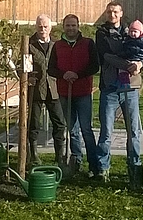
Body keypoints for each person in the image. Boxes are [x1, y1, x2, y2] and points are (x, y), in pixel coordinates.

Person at [95, 2, 143, 182]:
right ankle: (103, 169)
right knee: (106, 131)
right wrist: (129, 65)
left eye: (115, 12)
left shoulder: (131, 30)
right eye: (109, 12)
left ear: (121, 13)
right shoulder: (101, 33)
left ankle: (135, 168)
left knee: (133, 132)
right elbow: (107, 56)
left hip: (130, 88)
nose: (112, 15)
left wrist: (140, 64)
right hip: (110, 88)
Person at [48, 14, 99, 176]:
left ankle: (93, 164)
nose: (71, 28)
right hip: (64, 92)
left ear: (79, 26)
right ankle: (76, 160)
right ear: (64, 27)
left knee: (86, 129)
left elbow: (94, 66)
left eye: (73, 25)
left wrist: (77, 74)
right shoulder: (57, 46)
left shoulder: (88, 44)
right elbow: (51, 68)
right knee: (72, 130)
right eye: (68, 26)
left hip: (83, 92)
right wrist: (64, 75)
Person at [27, 14, 67, 166]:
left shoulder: (57, 45)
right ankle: (34, 155)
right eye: (39, 27)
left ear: (50, 28)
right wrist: (27, 76)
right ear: (36, 27)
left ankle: (60, 156)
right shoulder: (29, 44)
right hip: (36, 90)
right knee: (33, 124)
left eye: (45, 27)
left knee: (59, 123)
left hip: (54, 89)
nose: (42, 29)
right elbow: (22, 66)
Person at [115, 19, 143, 88]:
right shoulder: (131, 39)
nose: (133, 33)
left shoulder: (139, 42)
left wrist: (122, 54)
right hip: (133, 57)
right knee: (124, 70)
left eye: (135, 31)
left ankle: (127, 83)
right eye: (131, 31)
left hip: (136, 58)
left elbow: (132, 50)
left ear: (140, 33)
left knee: (130, 67)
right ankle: (125, 83)